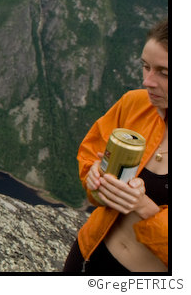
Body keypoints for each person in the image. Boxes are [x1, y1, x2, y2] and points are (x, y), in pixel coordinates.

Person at [63, 18, 169, 273]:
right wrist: (94, 178)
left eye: (164, 73)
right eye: (145, 67)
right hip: (87, 254)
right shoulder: (135, 104)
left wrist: (145, 208)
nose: (148, 81)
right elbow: (90, 157)